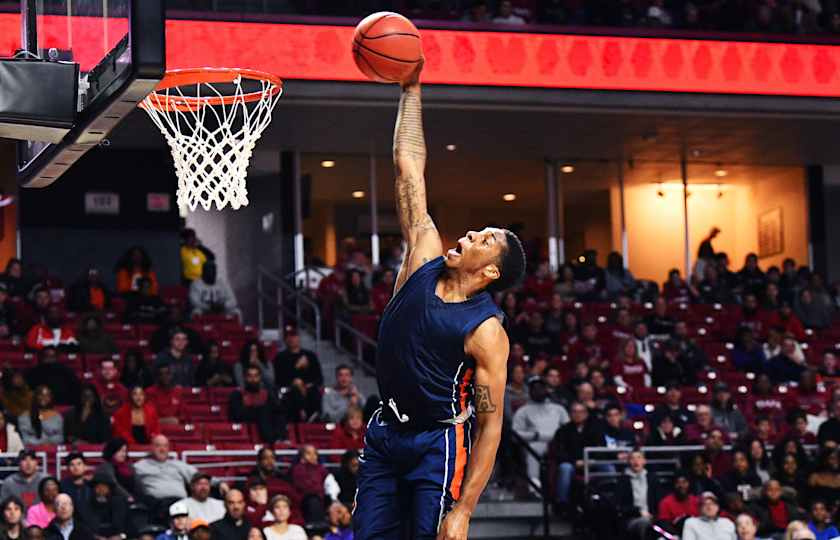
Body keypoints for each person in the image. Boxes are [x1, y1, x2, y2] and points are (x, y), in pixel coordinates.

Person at [352, 61, 525, 540]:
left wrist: (465, 509)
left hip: (438, 442)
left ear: (490, 272)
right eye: (477, 230)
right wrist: (411, 88)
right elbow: (408, 166)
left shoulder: (486, 331)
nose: (470, 234)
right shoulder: (422, 256)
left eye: (485, 239)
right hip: (386, 431)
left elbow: (490, 425)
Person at [512, 379, 569, 487]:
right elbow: (516, 434)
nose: (538, 391)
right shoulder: (523, 411)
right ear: (530, 391)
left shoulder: (558, 409)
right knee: (534, 448)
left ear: (546, 390)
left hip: (558, 442)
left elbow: (569, 428)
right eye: (535, 389)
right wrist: (535, 435)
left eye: (541, 388)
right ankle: (534, 484)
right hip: (536, 442)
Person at [552, 402, 605, 509]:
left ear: (586, 414)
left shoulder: (596, 429)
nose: (578, 414)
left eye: (581, 412)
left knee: (607, 466)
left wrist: (590, 460)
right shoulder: (562, 431)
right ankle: (562, 504)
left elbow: (601, 448)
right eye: (575, 412)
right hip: (572, 463)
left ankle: (610, 497)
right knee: (565, 468)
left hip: (592, 461)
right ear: (570, 414)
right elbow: (559, 452)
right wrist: (574, 462)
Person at [273, 326, 323, 422]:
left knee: (314, 392)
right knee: (295, 389)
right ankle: (301, 415)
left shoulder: (310, 356)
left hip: (309, 390)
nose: (291, 339)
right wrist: (296, 367)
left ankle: (314, 417)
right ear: (285, 340)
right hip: (289, 390)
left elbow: (319, 378)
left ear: (299, 338)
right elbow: (279, 379)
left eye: (294, 335)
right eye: (288, 336)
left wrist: (306, 385)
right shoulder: (280, 358)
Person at [134, 435, 200, 502]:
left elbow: (200, 478)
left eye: (165, 446)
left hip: (180, 503)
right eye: (158, 446)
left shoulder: (179, 465)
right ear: (151, 448)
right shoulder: (140, 466)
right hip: (156, 504)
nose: (162, 449)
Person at [229, 366, 285, 444]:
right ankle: (271, 440)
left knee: (278, 413)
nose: (253, 379)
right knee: (263, 410)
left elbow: (277, 410)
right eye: (250, 376)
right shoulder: (238, 394)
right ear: (245, 378)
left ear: (260, 377)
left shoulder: (266, 394)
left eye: (256, 376)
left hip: (265, 418)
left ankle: (281, 438)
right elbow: (236, 414)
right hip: (246, 418)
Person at [76, 472, 128, 539]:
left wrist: (121, 536)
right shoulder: (85, 506)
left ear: (109, 489)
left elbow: (129, 527)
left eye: (104, 486)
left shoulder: (120, 504)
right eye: (98, 486)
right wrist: (94, 537)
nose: (101, 489)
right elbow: (81, 529)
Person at [289, 446, 329, 523]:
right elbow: (305, 487)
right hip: (305, 499)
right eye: (308, 453)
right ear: (302, 457)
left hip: (321, 498)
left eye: (315, 453)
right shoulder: (298, 469)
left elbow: (329, 483)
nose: (313, 456)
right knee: (313, 501)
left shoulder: (321, 469)